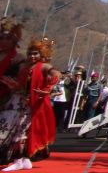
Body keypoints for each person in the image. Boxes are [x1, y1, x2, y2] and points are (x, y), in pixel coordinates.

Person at [0, 37, 60, 170]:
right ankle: (24, 159)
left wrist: (48, 88)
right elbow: (19, 83)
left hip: (30, 105)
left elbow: (56, 74)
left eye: (35, 53)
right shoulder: (23, 66)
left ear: (41, 54)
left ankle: (18, 159)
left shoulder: (44, 66)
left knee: (21, 132)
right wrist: (12, 85)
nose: (32, 56)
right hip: (16, 102)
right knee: (10, 128)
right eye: (30, 53)